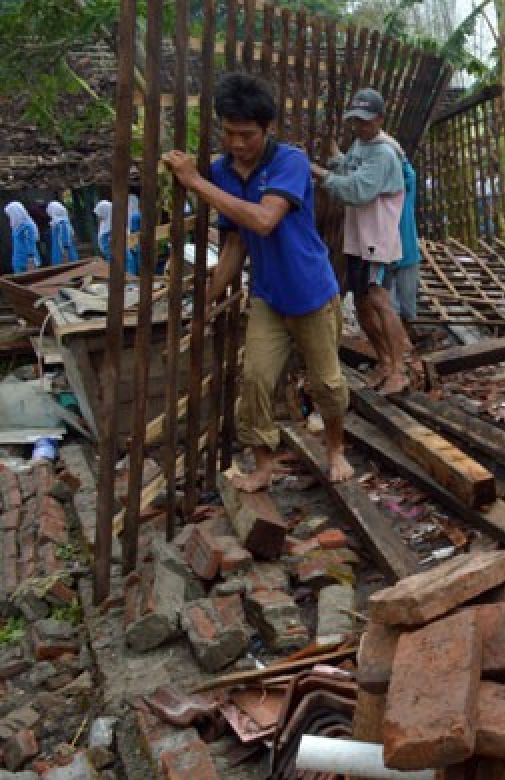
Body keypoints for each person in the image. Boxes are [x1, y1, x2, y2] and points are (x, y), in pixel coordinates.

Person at [162, 71, 352, 490]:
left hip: (311, 292)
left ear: (268, 129)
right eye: (229, 133)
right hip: (267, 295)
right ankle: (264, 465)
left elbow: (264, 221)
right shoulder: (223, 172)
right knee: (255, 380)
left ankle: (336, 449)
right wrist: (207, 300)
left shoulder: (291, 161)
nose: (236, 144)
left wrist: (195, 183)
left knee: (327, 382)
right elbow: (235, 245)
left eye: (246, 135)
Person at [311, 87, 413, 395]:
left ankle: (399, 369)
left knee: (379, 299)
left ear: (380, 119)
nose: (360, 126)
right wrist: (334, 160)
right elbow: (351, 168)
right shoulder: (361, 145)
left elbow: (358, 190)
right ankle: (384, 361)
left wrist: (319, 174)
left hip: (377, 240)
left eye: (365, 121)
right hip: (359, 239)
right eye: (355, 121)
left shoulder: (383, 152)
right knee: (363, 303)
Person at [392, 150, 422, 345]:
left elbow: (409, 172)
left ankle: (405, 342)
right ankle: (401, 345)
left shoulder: (405, 188)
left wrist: (400, 154)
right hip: (387, 255)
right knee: (391, 307)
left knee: (407, 307)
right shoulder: (377, 193)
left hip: (407, 254)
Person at [5, 201, 41, 273]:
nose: (10, 217)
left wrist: (30, 260)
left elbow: (30, 243)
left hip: (27, 262)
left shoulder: (27, 226)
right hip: (18, 260)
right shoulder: (16, 226)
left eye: (11, 214)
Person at [126, 195, 142, 276]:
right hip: (140, 240)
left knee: (133, 260)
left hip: (133, 240)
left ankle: (134, 276)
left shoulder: (131, 215)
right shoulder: (139, 214)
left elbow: (132, 230)